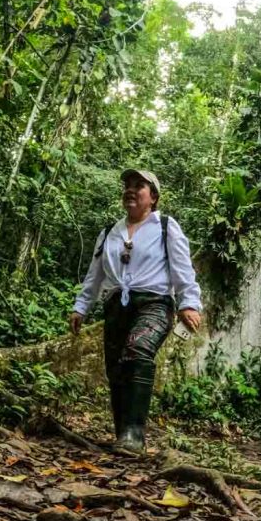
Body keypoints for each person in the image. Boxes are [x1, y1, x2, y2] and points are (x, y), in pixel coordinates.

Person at [69, 168, 202, 453]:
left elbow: (183, 268)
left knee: (138, 349)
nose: (130, 190)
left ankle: (134, 433)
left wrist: (189, 303)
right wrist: (81, 307)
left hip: (155, 303)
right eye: (127, 185)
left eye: (138, 185)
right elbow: (94, 275)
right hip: (116, 306)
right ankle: (123, 435)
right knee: (115, 368)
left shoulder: (165, 227)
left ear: (153, 197)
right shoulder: (109, 232)